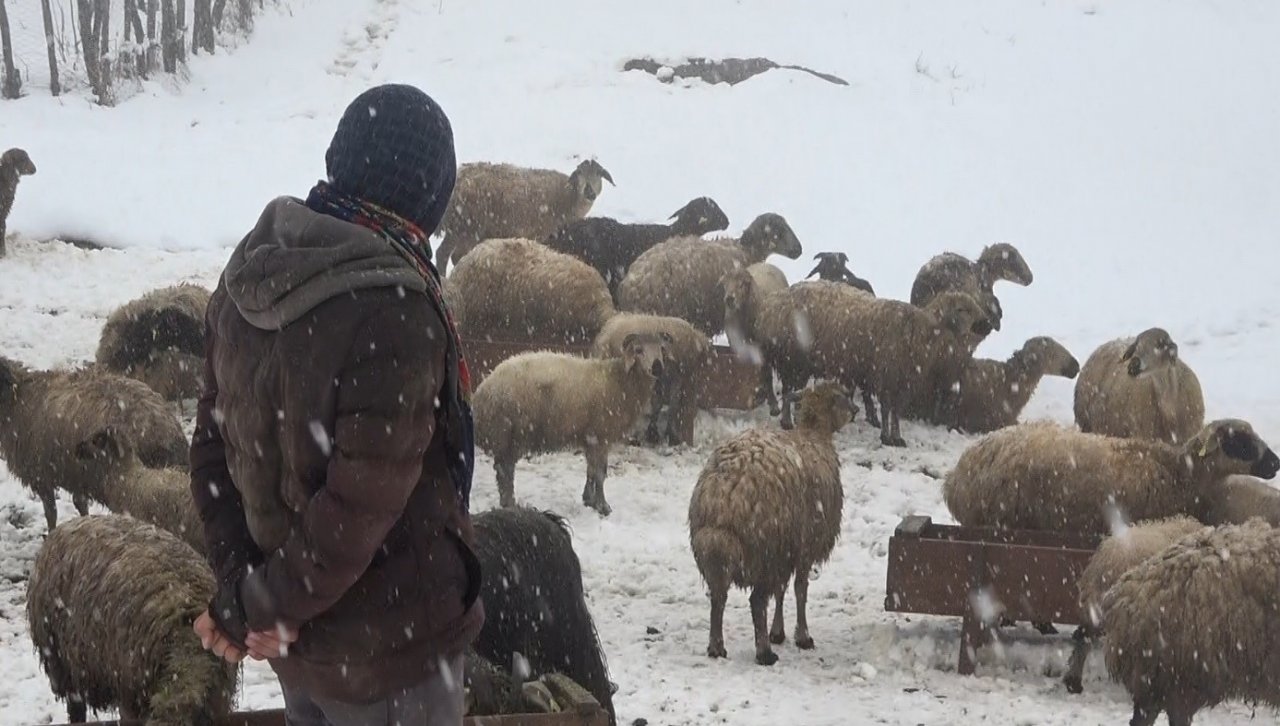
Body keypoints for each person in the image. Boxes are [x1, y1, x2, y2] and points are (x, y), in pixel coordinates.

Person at [189, 83, 484, 725]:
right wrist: (263, 604)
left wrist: (249, 597)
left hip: (300, 646)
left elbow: (215, 451)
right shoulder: (397, 310)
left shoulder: (255, 274)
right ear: (430, 193)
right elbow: (360, 503)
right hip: (392, 648)